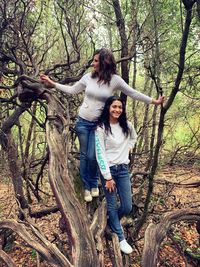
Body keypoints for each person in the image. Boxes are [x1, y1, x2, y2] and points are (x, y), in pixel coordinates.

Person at [40, 48, 164, 203]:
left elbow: (133, 93)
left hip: (98, 125)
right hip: (83, 122)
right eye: (93, 60)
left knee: (94, 156)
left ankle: (93, 182)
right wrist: (53, 84)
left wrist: (154, 101)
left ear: (105, 62)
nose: (93, 63)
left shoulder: (115, 80)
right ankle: (88, 186)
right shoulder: (88, 78)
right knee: (86, 155)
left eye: (96, 61)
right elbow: (72, 90)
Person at [95, 95, 137, 254]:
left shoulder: (127, 125)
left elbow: (133, 138)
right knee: (112, 205)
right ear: (108, 108)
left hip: (123, 169)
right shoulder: (101, 128)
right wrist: (107, 177)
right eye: (114, 106)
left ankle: (112, 222)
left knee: (127, 206)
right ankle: (120, 238)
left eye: (120, 107)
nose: (117, 110)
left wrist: (128, 148)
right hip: (109, 171)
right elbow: (100, 154)